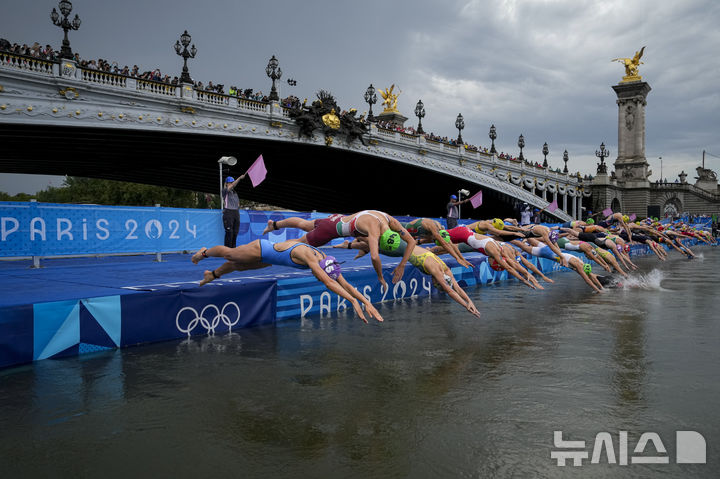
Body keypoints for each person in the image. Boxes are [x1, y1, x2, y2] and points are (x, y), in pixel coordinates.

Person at [191, 239, 383, 324]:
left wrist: (366, 302)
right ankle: (205, 252)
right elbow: (329, 283)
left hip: (269, 261)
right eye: (319, 274)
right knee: (232, 254)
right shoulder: (311, 258)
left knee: (239, 266)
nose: (317, 276)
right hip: (262, 249)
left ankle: (212, 275)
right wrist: (352, 301)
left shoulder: (327, 261)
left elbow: (345, 284)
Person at [263, 210, 416, 290]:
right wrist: (380, 277)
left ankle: (274, 225)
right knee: (299, 244)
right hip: (330, 230)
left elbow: (410, 241)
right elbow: (375, 257)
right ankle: (272, 251)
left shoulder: (389, 220)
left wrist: (402, 264)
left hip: (335, 218)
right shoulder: (374, 232)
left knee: (305, 224)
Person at [343, 237, 482, 318]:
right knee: (375, 243)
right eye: (435, 284)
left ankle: (353, 242)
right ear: (437, 281)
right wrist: (465, 306)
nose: (433, 283)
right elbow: (451, 291)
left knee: (375, 243)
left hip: (405, 246)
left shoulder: (446, 270)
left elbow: (456, 286)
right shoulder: (437, 272)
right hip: (401, 250)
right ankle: (353, 239)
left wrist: (470, 302)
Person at [222, 174, 246, 248]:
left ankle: (233, 249)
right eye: (230, 182)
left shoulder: (235, 193)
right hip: (228, 212)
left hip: (236, 212)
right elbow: (231, 186)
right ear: (226, 183)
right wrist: (239, 178)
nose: (232, 184)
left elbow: (238, 204)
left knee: (235, 232)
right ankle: (227, 250)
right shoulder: (225, 191)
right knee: (229, 232)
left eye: (232, 182)